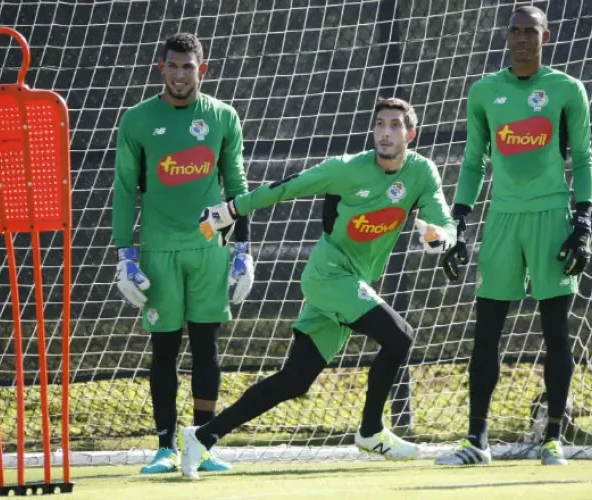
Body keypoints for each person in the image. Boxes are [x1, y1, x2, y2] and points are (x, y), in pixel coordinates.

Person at [178, 97, 457, 479]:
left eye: (394, 125)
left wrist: (443, 236)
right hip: (329, 276)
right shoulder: (345, 169)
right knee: (401, 337)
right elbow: (284, 188)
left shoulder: (422, 172)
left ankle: (203, 436)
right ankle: (371, 431)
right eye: (379, 124)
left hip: (350, 283)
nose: (385, 132)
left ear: (410, 134)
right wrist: (231, 209)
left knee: (294, 380)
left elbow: (442, 217)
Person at [434, 5, 592, 467]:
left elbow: (582, 159)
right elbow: (473, 163)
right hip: (501, 220)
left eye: (531, 31)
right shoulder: (485, 91)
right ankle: (476, 441)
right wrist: (458, 224)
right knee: (486, 332)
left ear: (547, 36)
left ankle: (552, 439)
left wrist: (582, 224)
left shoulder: (567, 90)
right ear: (506, 36)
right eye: (515, 31)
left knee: (555, 332)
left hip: (551, 216)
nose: (522, 38)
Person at [111, 32, 255, 474]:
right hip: (158, 250)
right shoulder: (137, 120)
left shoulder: (223, 116)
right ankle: (164, 447)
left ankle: (203, 443)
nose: (179, 74)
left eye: (187, 67)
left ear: (202, 70)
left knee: (206, 346)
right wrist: (125, 255)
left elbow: (237, 187)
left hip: (210, 248)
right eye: (172, 66)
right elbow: (122, 191)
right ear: (161, 68)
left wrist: (243, 250)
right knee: (165, 348)